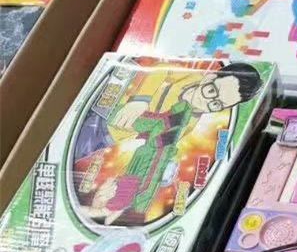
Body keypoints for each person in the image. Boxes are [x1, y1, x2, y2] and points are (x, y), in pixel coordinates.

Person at [83, 63, 263, 227]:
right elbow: (159, 70)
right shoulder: (186, 76)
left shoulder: (188, 122)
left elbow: (150, 151)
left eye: (216, 104)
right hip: (105, 109)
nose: (206, 102)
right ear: (209, 77)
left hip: (109, 137)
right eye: (210, 91)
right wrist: (140, 100)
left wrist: (122, 188)